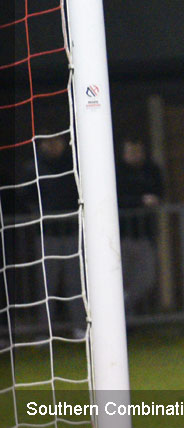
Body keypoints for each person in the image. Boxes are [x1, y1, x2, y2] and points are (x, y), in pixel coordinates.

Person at [26, 134, 87, 339]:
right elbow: (27, 197)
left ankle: (80, 326)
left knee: (75, 283)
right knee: (46, 284)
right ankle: (44, 332)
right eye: (47, 142)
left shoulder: (73, 165)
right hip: (46, 234)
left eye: (56, 141)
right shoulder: (33, 168)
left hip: (70, 232)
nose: (52, 146)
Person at [115, 137, 163, 314]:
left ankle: (125, 308)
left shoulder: (152, 170)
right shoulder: (116, 171)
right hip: (122, 235)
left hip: (145, 234)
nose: (135, 155)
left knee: (147, 278)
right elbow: (116, 199)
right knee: (121, 279)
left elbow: (160, 193)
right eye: (131, 152)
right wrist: (140, 201)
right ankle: (124, 320)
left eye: (138, 151)